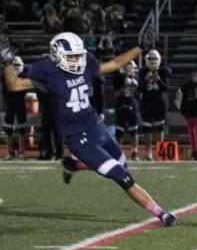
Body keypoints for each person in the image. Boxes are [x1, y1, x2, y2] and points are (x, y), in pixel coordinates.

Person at [1, 32, 176, 226]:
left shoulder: (86, 64)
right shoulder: (47, 72)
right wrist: (7, 63)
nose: (77, 60)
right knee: (123, 177)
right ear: (57, 55)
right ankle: (161, 213)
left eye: (78, 55)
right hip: (77, 136)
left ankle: (73, 165)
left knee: (122, 165)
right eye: (72, 56)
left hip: (95, 126)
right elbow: (14, 85)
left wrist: (140, 47)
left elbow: (116, 64)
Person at [139, 50, 171, 161]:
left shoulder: (164, 71)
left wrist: (158, 80)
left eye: (154, 59)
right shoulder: (143, 71)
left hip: (159, 103)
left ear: (159, 60)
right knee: (146, 129)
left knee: (159, 128)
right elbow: (139, 89)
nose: (152, 62)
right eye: (150, 59)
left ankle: (160, 152)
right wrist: (146, 80)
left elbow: (166, 88)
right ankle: (148, 152)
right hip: (146, 103)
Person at [2, 56, 28, 159]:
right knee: (8, 131)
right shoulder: (6, 76)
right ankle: (10, 152)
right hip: (11, 105)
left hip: (20, 104)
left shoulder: (23, 77)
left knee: (22, 130)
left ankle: (22, 153)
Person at [114, 60, 140, 160]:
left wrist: (135, 85)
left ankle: (135, 152)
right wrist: (124, 86)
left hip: (132, 106)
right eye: (128, 67)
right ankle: (118, 153)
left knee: (134, 132)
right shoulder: (119, 77)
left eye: (131, 67)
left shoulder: (136, 78)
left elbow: (139, 95)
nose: (130, 70)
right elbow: (115, 95)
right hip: (121, 106)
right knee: (119, 132)